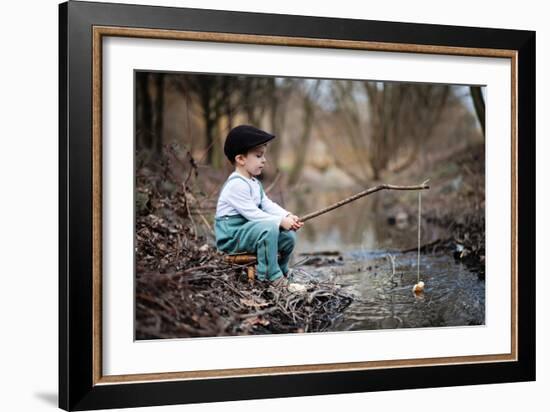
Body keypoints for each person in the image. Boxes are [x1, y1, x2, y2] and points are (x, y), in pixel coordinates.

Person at [214, 125, 304, 287]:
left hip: (248, 232)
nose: (264, 160)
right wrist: (279, 221)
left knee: (288, 236)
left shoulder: (254, 183)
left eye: (263, 156)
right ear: (240, 159)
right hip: (232, 237)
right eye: (258, 156)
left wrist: (287, 216)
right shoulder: (236, 185)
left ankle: (282, 270)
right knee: (269, 227)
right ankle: (271, 276)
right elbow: (253, 214)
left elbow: (267, 204)